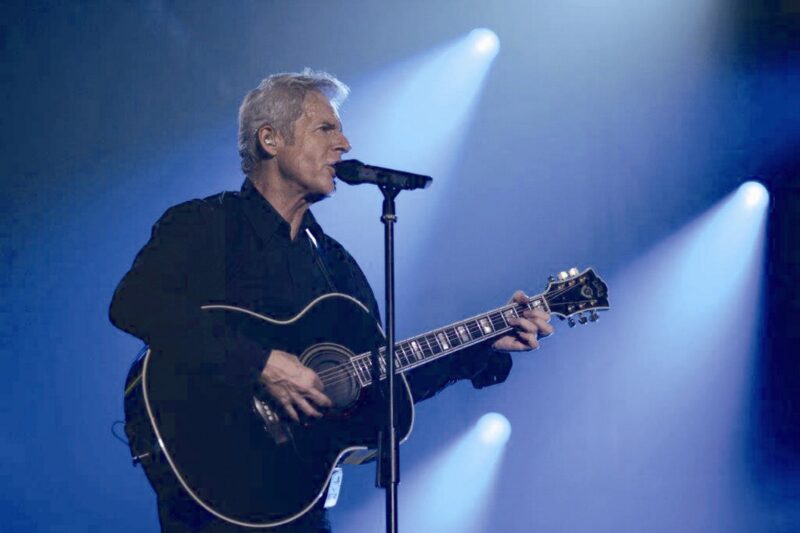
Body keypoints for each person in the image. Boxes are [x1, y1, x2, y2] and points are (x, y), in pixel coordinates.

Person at [109, 70, 554, 532]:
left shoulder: (334, 264)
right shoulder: (205, 225)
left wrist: (481, 343)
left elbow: (378, 379)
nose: (344, 144)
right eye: (326, 129)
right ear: (270, 139)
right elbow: (134, 302)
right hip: (215, 488)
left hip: (302, 502)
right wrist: (260, 364)